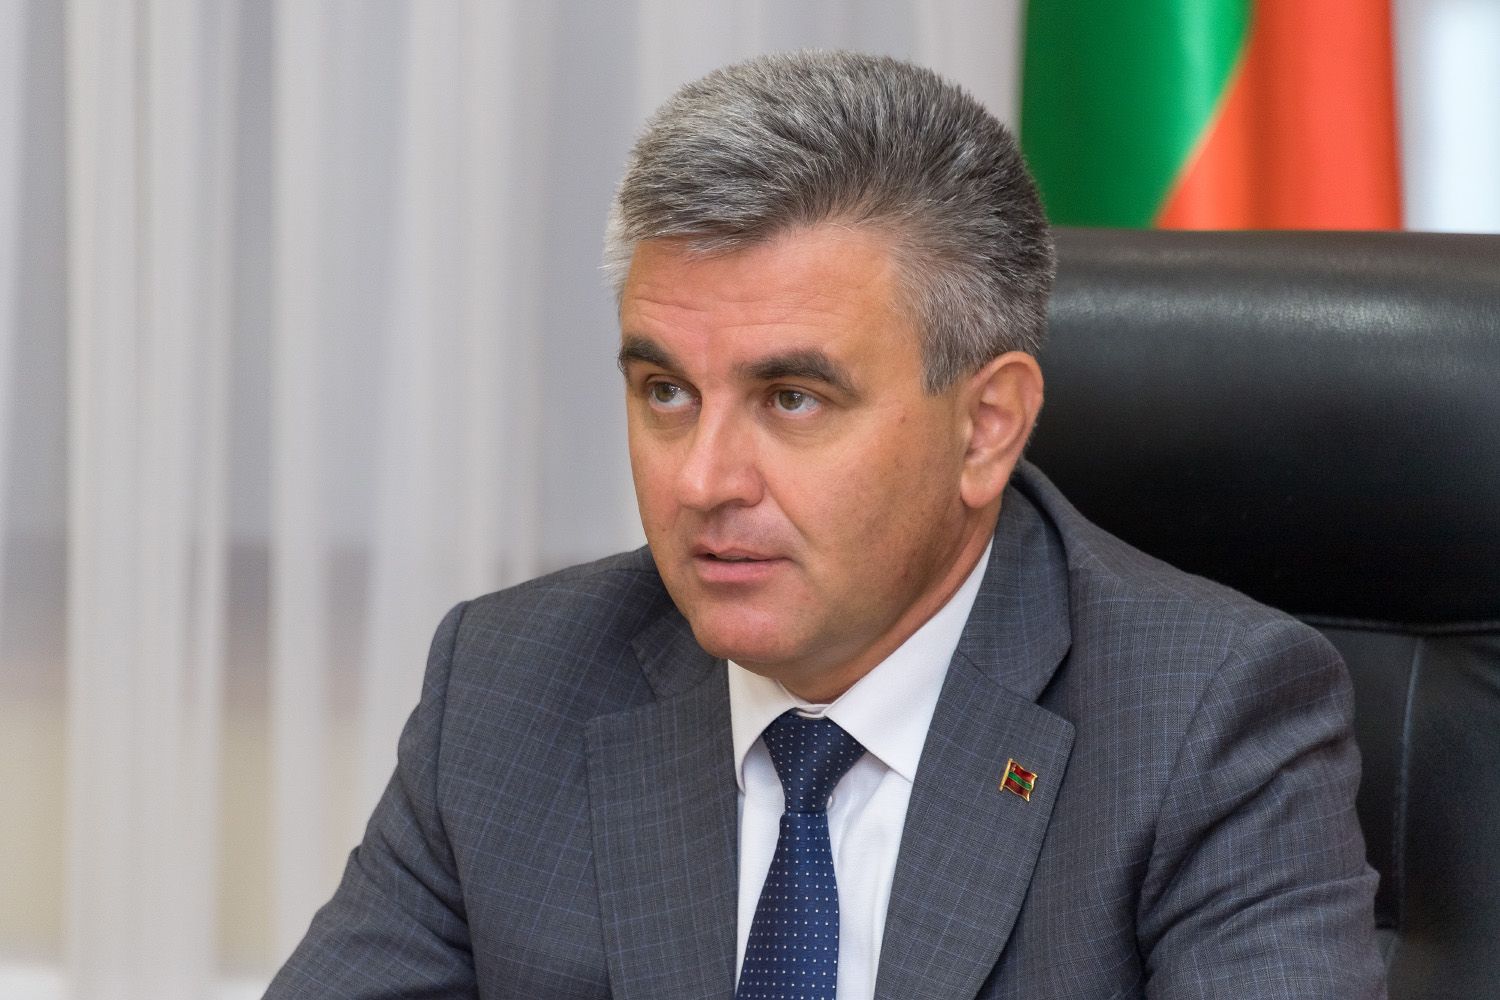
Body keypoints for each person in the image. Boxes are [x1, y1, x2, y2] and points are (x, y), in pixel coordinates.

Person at [264, 51, 1385, 999]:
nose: (703, 478)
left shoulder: (1203, 722)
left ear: (987, 427)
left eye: (792, 399)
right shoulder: (511, 687)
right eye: (666, 391)